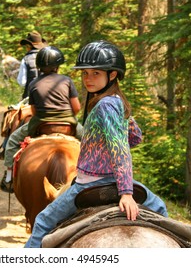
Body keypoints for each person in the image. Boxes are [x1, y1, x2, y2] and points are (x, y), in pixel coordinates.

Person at [24, 40, 168, 248]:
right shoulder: (115, 100)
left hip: (91, 183)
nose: (88, 79)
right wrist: (123, 122)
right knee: (161, 209)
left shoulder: (105, 105)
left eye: (96, 74)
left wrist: (126, 193)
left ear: (112, 75)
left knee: (43, 221)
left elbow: (120, 150)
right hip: (114, 181)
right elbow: (136, 137)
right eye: (85, 74)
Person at [0, 46, 81, 193]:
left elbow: (34, 110)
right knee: (93, 144)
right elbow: (76, 108)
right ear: (58, 65)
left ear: (39, 66)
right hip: (68, 124)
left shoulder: (34, 83)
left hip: (42, 124)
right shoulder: (67, 81)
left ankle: (9, 178)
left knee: (12, 141)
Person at [17, 31, 47, 99]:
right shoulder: (48, 57)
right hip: (46, 96)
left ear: (29, 46)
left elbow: (22, 81)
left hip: (30, 97)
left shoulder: (26, 59)